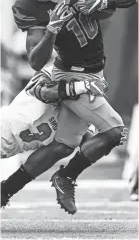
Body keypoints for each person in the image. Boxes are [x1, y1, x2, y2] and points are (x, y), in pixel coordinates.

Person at [11, 0, 137, 213]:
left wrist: (105, 2)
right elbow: (35, 62)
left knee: (62, 146)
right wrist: (51, 31)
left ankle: (4, 191)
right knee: (114, 131)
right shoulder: (29, 7)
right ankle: (65, 177)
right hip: (70, 74)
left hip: (94, 71)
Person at [1, 65, 127, 214]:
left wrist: (108, 139)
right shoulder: (56, 74)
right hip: (5, 130)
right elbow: (43, 90)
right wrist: (77, 87)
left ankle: (6, 190)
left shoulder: (83, 113)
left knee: (64, 147)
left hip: (15, 145)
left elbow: (87, 144)